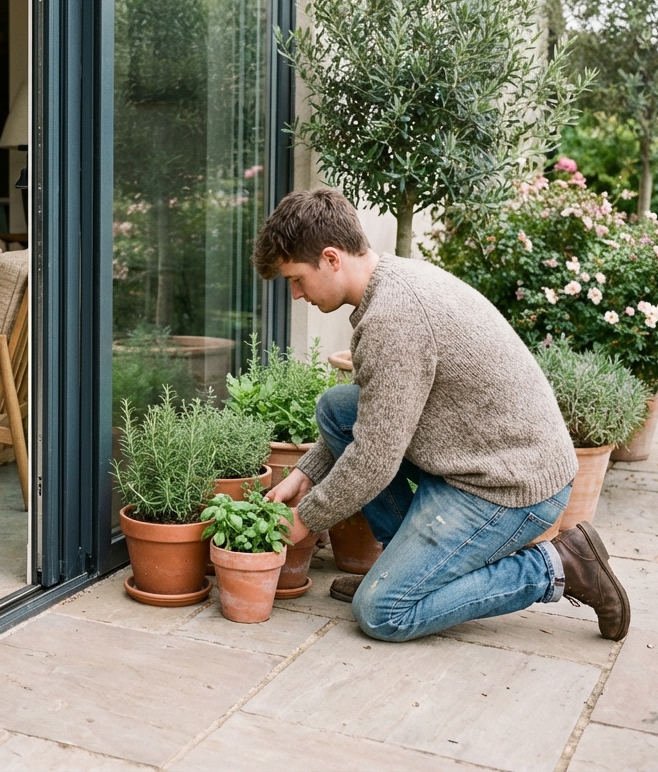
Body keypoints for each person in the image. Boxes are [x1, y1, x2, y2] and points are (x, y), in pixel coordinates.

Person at [259, 187, 630, 642]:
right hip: (475, 457)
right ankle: (410, 571)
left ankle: (560, 565)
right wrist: (305, 473)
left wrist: (303, 521)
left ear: (332, 258)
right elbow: (376, 414)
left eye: (296, 278)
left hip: (508, 485)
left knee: (383, 613)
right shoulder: (389, 279)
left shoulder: (394, 316)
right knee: (339, 409)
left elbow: (374, 458)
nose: (296, 294)